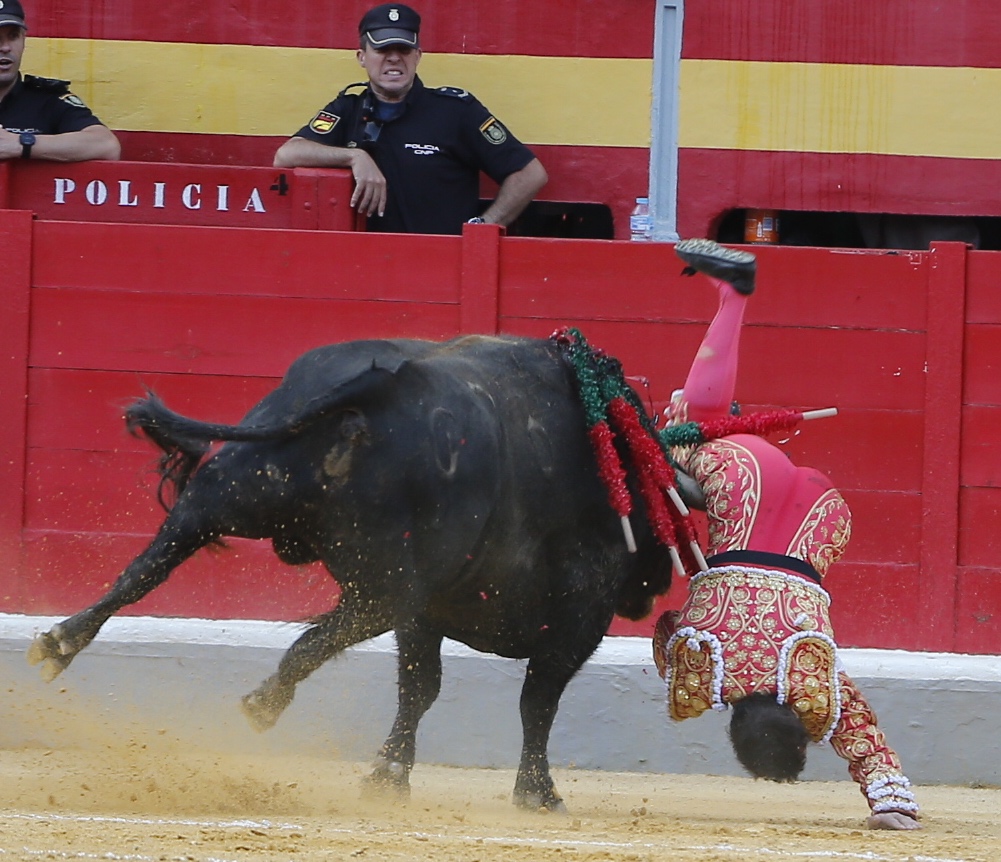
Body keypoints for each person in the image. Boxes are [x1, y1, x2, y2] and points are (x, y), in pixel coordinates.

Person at [653, 238, 921, 831]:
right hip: (748, 494)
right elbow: (665, 628)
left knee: (701, 421)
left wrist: (891, 802)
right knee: (686, 428)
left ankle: (730, 295)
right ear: (730, 725)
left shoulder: (813, 678)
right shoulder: (701, 671)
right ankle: (731, 294)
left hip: (820, 521)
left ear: (801, 724)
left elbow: (854, 723)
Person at [273, 3, 546, 235]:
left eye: (403, 50)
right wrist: (354, 157)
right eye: (382, 50)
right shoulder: (348, 108)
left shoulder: (457, 111)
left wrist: (482, 229)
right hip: (365, 270)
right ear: (362, 58)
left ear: (418, 56)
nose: (394, 59)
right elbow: (287, 155)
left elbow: (530, 173)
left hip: (441, 272)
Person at [0, 0, 120, 162]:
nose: (6, 47)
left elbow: (106, 146)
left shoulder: (47, 100)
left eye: (13, 36)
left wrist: (20, 144)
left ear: (23, 40)